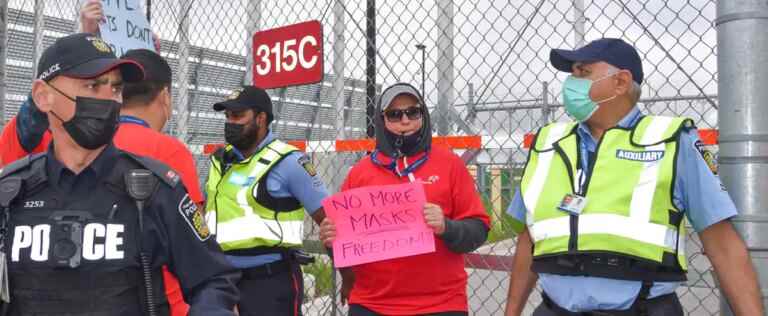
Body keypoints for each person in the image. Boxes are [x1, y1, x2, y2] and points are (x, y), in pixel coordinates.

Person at [503, 38, 765, 316]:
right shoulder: (548, 144)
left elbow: (723, 246)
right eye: (572, 73)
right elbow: (529, 239)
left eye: (583, 72)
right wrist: (512, 311)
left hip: (641, 310)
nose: (571, 83)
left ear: (621, 82)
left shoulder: (672, 142)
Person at [0, 33, 240, 315]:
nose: (109, 100)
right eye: (92, 86)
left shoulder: (155, 189)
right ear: (44, 96)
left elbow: (213, 280)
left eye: (115, 89)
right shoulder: (10, 192)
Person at [318, 83, 491, 315]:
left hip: (441, 304)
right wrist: (332, 241)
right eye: (394, 114)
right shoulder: (359, 173)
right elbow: (346, 248)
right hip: (372, 304)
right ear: (382, 120)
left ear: (423, 116)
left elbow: (479, 230)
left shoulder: (449, 164)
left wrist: (446, 227)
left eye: (413, 112)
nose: (405, 120)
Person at [205, 86, 330, 316]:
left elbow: (329, 219)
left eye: (238, 116)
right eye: (227, 116)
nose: (230, 123)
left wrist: (349, 273)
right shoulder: (220, 161)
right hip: (222, 282)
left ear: (261, 118)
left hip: (269, 282)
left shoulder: (289, 162)